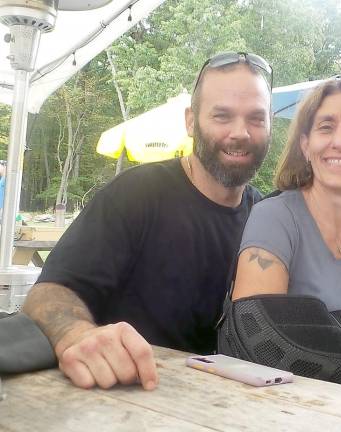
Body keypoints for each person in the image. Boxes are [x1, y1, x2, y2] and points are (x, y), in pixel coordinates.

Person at [22, 52, 273, 390]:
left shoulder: (267, 218)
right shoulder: (136, 193)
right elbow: (47, 293)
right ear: (191, 121)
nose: (240, 132)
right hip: (126, 397)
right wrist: (76, 334)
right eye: (222, 116)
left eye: (256, 118)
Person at [232, 76, 341, 314]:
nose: (340, 141)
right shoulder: (275, 219)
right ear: (306, 146)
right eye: (326, 127)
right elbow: (257, 340)